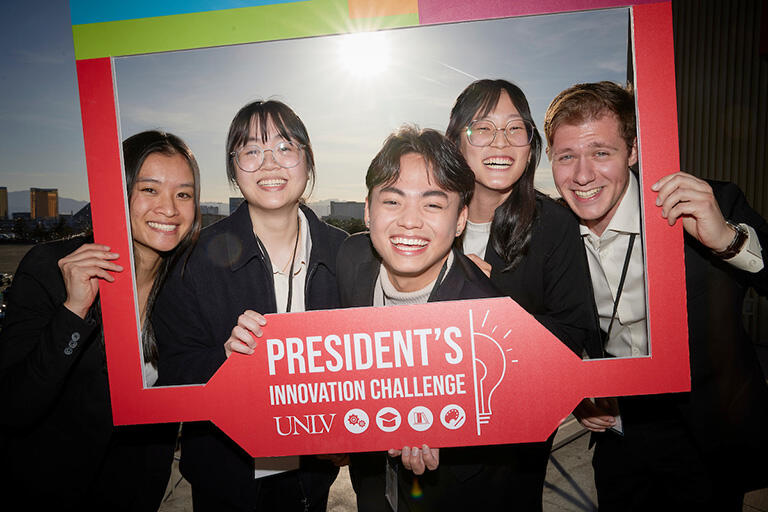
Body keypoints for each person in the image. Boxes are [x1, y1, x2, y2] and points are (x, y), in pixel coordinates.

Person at [544, 80, 768, 510]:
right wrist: (580, 390)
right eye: (566, 156)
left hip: (708, 437)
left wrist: (726, 240)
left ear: (632, 151)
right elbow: (549, 328)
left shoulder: (708, 204)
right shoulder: (551, 234)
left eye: (601, 153)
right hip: (618, 437)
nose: (583, 175)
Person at [154, 100, 344, 511]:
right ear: (233, 168)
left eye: (284, 147)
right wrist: (223, 361)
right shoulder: (191, 260)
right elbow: (170, 372)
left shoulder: (348, 254)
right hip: (227, 479)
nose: (269, 164)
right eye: (251, 151)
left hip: (313, 479)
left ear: (307, 161)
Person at [0, 130, 202, 510]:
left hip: (136, 492)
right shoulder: (51, 268)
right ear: (117, 193)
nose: (169, 209)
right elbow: (14, 405)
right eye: (149, 190)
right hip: (44, 489)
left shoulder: (186, 287)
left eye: (184, 194)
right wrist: (72, 311)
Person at [337, 125, 524, 511]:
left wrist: (454, 430)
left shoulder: (489, 320)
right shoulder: (350, 260)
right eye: (392, 201)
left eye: (433, 204)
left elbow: (510, 424)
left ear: (460, 220)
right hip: (371, 486)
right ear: (368, 210)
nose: (410, 221)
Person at [445, 78, 602, 509]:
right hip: (432, 436)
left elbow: (573, 333)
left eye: (516, 129)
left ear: (531, 146)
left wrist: (490, 303)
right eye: (483, 127)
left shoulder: (554, 224)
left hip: (512, 445)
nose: (502, 141)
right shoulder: (430, 219)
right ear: (456, 141)